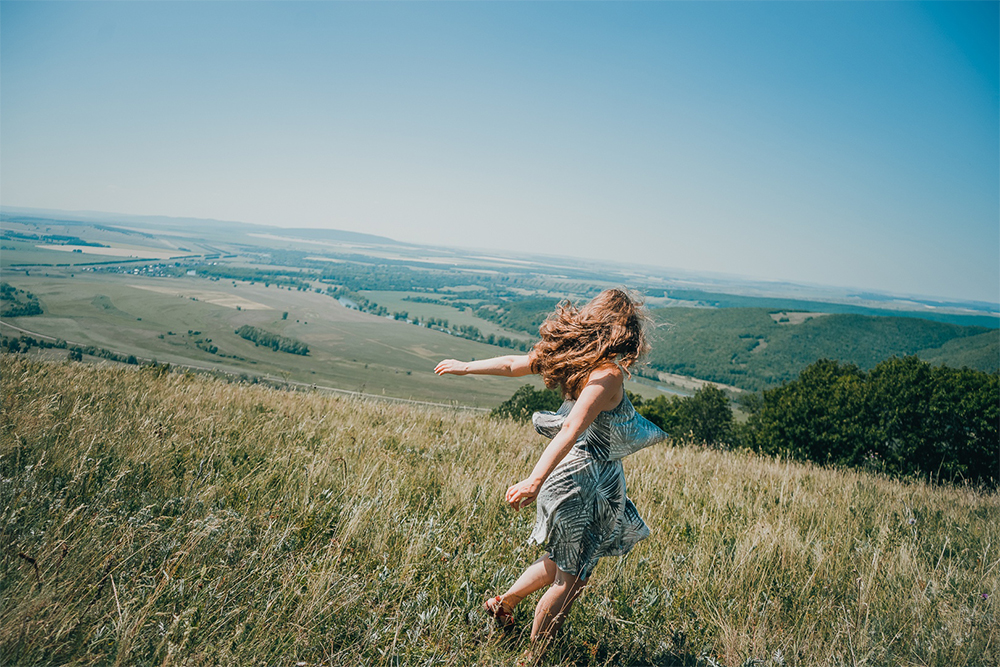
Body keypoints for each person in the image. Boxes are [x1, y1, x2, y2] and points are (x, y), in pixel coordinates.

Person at [434, 288, 667, 653]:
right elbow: (573, 428)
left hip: (572, 478)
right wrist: (534, 480)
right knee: (569, 582)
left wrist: (465, 366)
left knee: (563, 559)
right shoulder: (607, 374)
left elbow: (514, 364)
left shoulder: (572, 357)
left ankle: (504, 603)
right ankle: (535, 658)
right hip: (583, 482)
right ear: (626, 332)